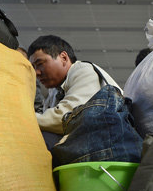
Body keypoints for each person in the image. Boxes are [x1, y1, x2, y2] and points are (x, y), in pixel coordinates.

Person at [27, 35, 141, 167]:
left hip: (110, 152)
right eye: (33, 67)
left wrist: (23, 118)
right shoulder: (54, 92)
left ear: (63, 58)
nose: (37, 73)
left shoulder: (83, 71)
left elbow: (63, 119)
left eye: (40, 64)